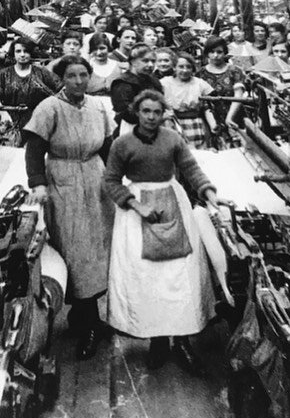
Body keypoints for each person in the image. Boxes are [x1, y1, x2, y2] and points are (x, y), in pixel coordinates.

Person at [104, 89, 219, 376]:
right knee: (147, 279)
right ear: (137, 113)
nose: (152, 117)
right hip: (136, 213)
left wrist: (209, 191)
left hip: (173, 203)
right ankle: (157, 341)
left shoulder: (173, 139)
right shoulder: (122, 144)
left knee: (180, 276)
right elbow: (111, 181)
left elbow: (191, 168)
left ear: (163, 113)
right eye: (146, 112)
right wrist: (135, 204)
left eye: (157, 112)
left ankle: (181, 341)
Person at [24, 55, 114, 360]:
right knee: (75, 249)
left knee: (100, 247)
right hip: (63, 181)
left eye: (83, 75)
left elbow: (108, 146)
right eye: (72, 76)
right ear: (62, 79)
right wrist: (37, 183)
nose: (78, 81)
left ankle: (86, 318)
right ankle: (88, 324)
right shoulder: (49, 108)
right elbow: (34, 151)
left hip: (95, 177)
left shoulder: (99, 106)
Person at [0, 37, 59, 133]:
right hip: (11, 123)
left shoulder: (41, 72)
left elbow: (56, 95)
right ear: (13, 53)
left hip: (37, 124)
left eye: (26, 51)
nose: (22, 55)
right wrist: (3, 113)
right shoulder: (4, 74)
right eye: (18, 51)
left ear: (31, 53)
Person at [161, 53, 213, 149]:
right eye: (181, 67)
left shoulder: (199, 83)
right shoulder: (165, 83)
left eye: (188, 67)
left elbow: (208, 105)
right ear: (174, 67)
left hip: (196, 124)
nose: (185, 70)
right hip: (173, 124)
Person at [110, 43, 162, 135]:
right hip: (131, 129)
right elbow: (127, 114)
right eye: (145, 61)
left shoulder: (154, 81)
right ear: (133, 62)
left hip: (155, 126)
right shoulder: (123, 83)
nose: (150, 65)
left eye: (153, 61)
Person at [197, 36, 246, 123]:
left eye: (219, 52)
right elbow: (202, 101)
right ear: (207, 53)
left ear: (225, 52)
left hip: (234, 116)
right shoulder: (201, 73)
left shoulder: (234, 71)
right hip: (210, 119)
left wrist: (230, 117)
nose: (215, 55)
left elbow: (238, 95)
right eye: (212, 52)